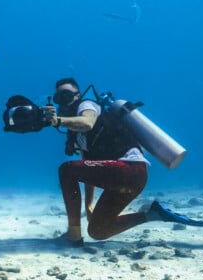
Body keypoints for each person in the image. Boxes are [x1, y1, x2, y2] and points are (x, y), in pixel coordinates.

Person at [44, 77, 158, 243]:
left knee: (66, 169)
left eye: (67, 95)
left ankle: (73, 236)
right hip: (126, 179)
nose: (64, 101)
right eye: (59, 97)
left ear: (77, 96)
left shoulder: (86, 105)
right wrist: (88, 205)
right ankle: (153, 214)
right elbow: (87, 170)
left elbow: (88, 123)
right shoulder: (78, 135)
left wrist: (58, 121)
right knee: (98, 230)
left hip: (131, 170)